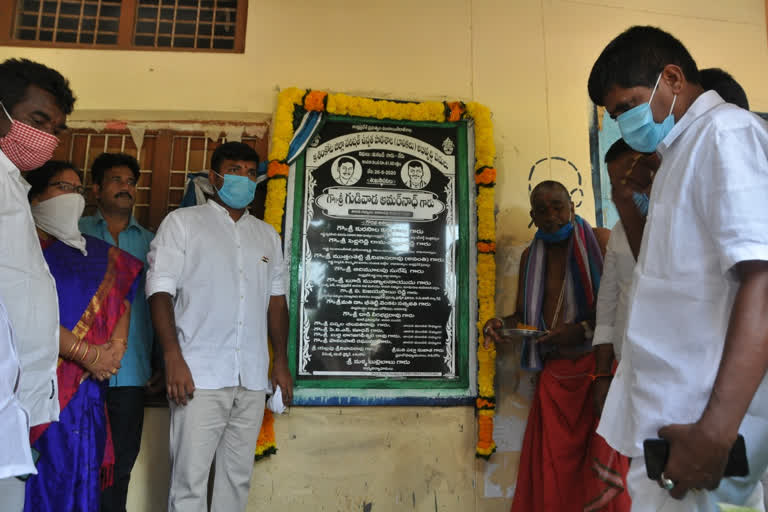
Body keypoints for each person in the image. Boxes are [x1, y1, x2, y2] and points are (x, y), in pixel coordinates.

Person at [588, 25, 768, 510]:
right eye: (614, 115)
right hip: (673, 428)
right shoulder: (677, 156)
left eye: (627, 106)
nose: (624, 122)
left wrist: (716, 430)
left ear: (672, 78)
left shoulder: (725, 132)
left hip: (704, 433)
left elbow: (763, 280)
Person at [147, 142, 294, 512]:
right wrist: (172, 357)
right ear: (214, 177)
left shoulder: (267, 236)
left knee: (237, 480)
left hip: (251, 377)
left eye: (249, 172)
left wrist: (280, 363)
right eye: (234, 170)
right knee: (189, 483)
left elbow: (277, 302)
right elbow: (159, 291)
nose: (243, 178)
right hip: (197, 374)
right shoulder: (182, 224)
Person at [593, 73, 750, 415]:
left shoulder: (733, 147)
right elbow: (653, 272)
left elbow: (756, 289)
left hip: (725, 388)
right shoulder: (667, 201)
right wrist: (625, 201)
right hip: (674, 379)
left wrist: (718, 424)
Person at [484, 181, 629, 512]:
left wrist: (581, 330)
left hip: (599, 373)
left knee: (602, 472)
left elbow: (623, 308)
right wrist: (500, 325)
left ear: (572, 207)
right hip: (555, 378)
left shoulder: (602, 241)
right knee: (554, 475)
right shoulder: (530, 256)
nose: (552, 216)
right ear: (534, 216)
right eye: (543, 210)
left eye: (558, 207)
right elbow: (524, 317)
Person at [22, 161, 142, 512]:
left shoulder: (96, 253)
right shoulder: (20, 249)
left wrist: (114, 351)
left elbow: (122, 296)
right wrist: (89, 354)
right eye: (62, 187)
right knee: (40, 480)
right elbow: (25, 315)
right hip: (35, 387)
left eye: (76, 189)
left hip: (84, 392)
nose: (71, 197)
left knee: (80, 476)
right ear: (36, 196)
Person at [0, 58, 75, 511]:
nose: (47, 137)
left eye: (56, 128)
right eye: (37, 120)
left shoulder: (12, 183)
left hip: (13, 401)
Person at [79, 152, 158, 512]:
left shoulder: (153, 243)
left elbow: (164, 307)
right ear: (96, 188)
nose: (125, 187)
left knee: (120, 466)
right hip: (77, 369)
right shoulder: (74, 233)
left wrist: (160, 363)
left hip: (131, 372)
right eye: (116, 180)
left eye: (130, 182)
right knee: (79, 464)